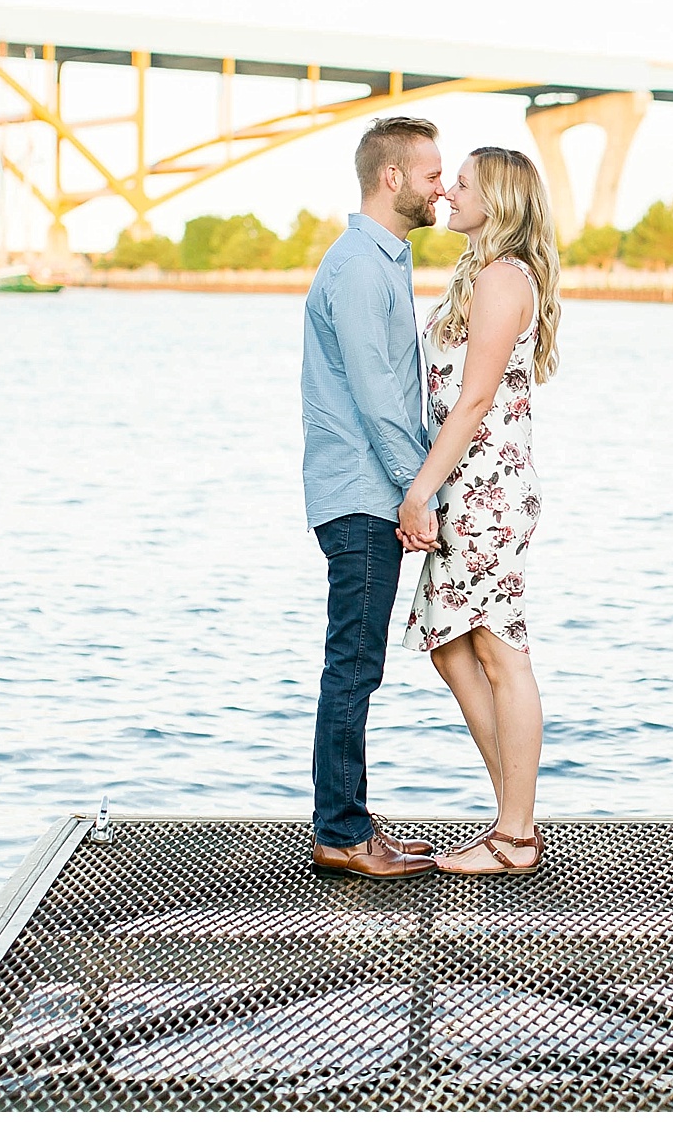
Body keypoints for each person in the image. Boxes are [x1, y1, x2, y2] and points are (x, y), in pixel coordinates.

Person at [400, 147, 562, 876]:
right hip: (471, 486)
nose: (448, 192)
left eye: (462, 183)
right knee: (451, 645)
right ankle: (512, 817)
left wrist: (418, 491)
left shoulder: (501, 279)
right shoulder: (483, 274)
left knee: (499, 648)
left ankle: (516, 837)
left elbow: (472, 401)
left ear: (496, 200)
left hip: (483, 490)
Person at [299, 115, 446, 879]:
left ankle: (350, 820)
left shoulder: (381, 258)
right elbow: (378, 396)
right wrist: (418, 490)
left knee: (356, 664)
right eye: (430, 174)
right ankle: (341, 835)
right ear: (392, 178)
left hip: (366, 491)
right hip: (362, 496)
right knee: (352, 665)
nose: (441, 186)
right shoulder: (360, 266)